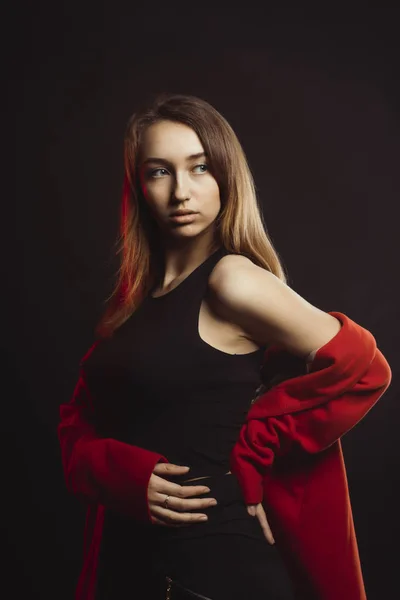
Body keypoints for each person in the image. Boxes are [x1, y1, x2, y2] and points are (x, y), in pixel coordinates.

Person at [58, 93, 391, 600]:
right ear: (138, 186)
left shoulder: (232, 280)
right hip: (128, 567)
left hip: (212, 569)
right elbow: (81, 421)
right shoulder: (133, 304)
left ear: (226, 176)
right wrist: (120, 475)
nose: (181, 193)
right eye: (159, 172)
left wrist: (257, 447)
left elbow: (364, 367)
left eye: (200, 168)